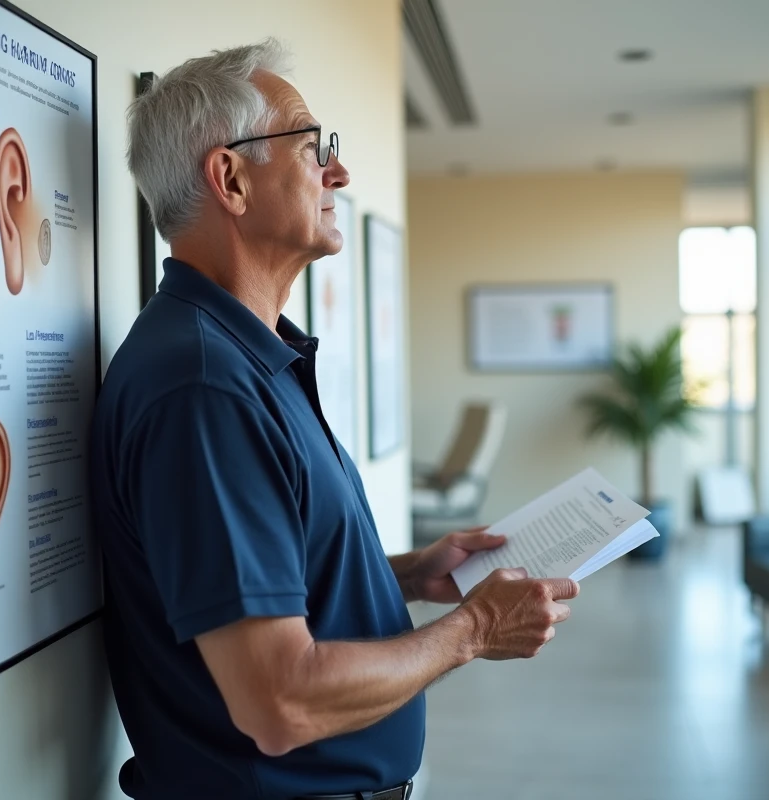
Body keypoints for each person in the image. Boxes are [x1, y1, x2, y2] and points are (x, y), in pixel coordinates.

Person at [89, 39, 579, 800]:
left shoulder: (242, 361)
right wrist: (475, 630)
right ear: (230, 179)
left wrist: (409, 575)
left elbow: (261, 588)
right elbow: (279, 701)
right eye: (312, 148)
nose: (339, 173)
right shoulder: (205, 385)